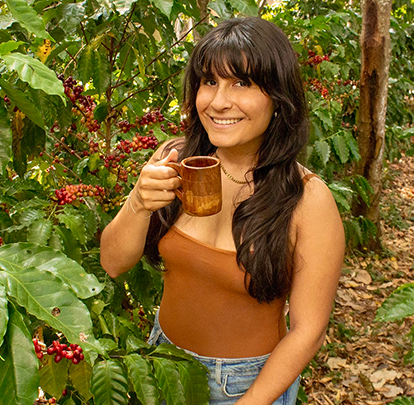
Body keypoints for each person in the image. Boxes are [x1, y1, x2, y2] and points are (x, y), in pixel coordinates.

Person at [100, 16, 344, 405]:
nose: (217, 101)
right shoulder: (173, 159)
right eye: (209, 81)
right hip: (163, 363)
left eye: (241, 83)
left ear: (278, 99)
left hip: (245, 383)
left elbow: (307, 330)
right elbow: (113, 262)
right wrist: (137, 203)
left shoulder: (308, 200)